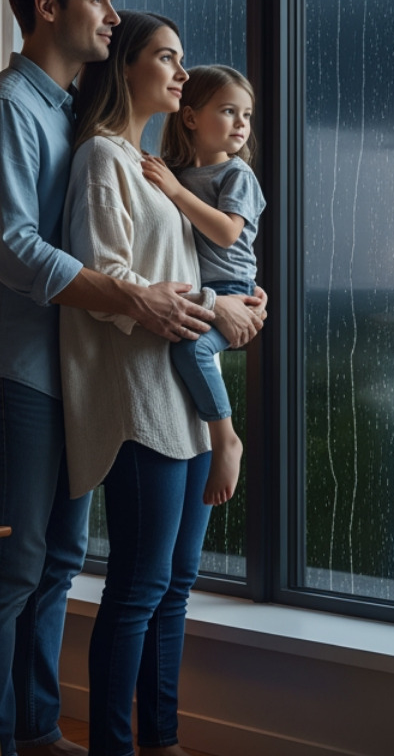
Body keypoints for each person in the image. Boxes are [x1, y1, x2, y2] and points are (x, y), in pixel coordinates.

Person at [0, 0, 265, 756]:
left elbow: (157, 255)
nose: (113, 13)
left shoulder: (71, 118)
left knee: (56, 562)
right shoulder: (7, 110)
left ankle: (39, 729)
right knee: (18, 569)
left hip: (69, 371)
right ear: (48, 7)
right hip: (15, 370)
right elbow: (16, 248)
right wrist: (142, 297)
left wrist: (221, 297)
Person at [60, 11, 239, 756]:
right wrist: (213, 306)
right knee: (137, 590)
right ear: (126, 67)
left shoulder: (147, 169)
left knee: (174, 588)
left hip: (186, 407)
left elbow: (182, 281)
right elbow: (113, 283)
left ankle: (159, 741)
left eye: (181, 57)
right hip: (138, 406)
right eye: (164, 57)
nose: (179, 71)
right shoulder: (102, 160)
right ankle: (114, 745)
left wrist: (227, 311)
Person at [141, 64, 265, 505]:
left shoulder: (236, 175)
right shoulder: (176, 172)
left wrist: (175, 191)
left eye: (246, 116)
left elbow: (228, 233)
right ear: (190, 117)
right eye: (229, 111)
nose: (241, 125)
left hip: (229, 284)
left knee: (191, 348)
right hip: (201, 284)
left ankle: (226, 439)